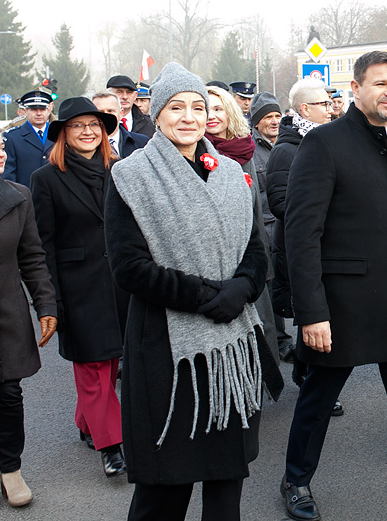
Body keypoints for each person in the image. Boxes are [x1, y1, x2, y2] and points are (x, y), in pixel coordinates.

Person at [281, 51, 387, 521]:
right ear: (356, 89)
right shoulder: (325, 145)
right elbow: (301, 235)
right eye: (381, 83)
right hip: (342, 308)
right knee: (317, 403)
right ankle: (296, 479)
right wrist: (311, 312)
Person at [105, 63, 273, 521]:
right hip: (166, 353)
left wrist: (240, 290)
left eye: (198, 107)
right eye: (176, 107)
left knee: (225, 489)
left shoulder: (232, 173)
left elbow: (257, 251)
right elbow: (130, 268)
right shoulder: (130, 175)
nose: (189, 117)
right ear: (156, 115)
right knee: (163, 493)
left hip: (231, 351)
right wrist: (206, 297)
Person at [30, 97, 129, 476]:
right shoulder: (45, 179)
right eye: (77, 126)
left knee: (111, 361)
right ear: (64, 134)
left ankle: (89, 422)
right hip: (77, 289)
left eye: (94, 125)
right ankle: (112, 445)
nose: (88, 132)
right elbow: (43, 245)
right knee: (93, 368)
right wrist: (50, 302)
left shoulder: (120, 170)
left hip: (120, 286)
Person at [0, 125, 58, 509]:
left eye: (0, 147)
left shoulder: (18, 197)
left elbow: (32, 257)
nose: (0, 153)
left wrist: (45, 305)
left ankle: (11, 470)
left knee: (9, 396)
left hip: (8, 314)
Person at [203, 86, 282, 364]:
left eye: (218, 108)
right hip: (217, 260)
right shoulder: (196, 152)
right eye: (206, 108)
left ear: (230, 111)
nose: (212, 116)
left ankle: (259, 383)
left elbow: (255, 209)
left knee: (262, 324)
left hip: (252, 249)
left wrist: (264, 263)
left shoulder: (244, 149)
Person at [265, 80, 333, 370]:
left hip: (326, 244)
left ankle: (312, 374)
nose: (331, 110)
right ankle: (308, 376)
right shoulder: (287, 150)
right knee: (311, 315)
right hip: (301, 247)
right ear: (305, 109)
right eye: (324, 104)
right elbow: (280, 202)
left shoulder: (324, 139)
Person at [0, 90, 54, 186]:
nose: (38, 113)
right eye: (33, 109)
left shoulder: (58, 134)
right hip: (26, 196)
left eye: (42, 109)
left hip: (55, 196)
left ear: (48, 110)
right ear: (25, 111)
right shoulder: (12, 137)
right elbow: (8, 175)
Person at [249, 92, 282, 243]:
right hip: (265, 231)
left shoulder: (288, 145)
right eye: (268, 117)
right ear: (256, 122)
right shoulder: (248, 151)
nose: (274, 121)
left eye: (277, 116)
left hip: (287, 225)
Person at [92, 91, 149, 159]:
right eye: (100, 112)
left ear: (121, 113)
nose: (106, 116)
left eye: (110, 111)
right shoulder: (85, 145)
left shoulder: (142, 142)